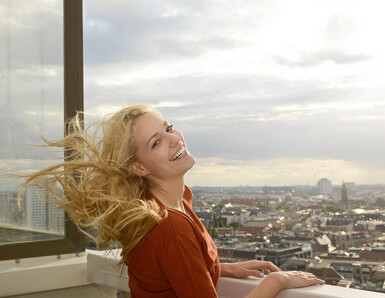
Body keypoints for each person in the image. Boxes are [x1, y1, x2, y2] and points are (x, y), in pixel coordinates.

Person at [15, 105, 324, 297]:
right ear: (139, 167)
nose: (174, 138)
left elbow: (171, 270)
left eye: (168, 128)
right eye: (157, 142)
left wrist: (221, 268)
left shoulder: (168, 204)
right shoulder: (169, 226)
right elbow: (173, 249)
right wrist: (278, 281)